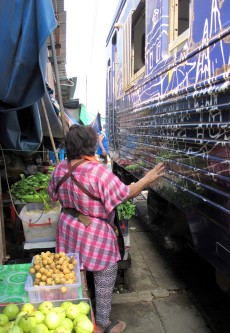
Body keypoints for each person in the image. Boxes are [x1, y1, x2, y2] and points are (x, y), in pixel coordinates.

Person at [48, 124, 165, 333]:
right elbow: (124, 193)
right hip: (94, 232)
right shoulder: (97, 172)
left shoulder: (59, 169)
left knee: (72, 274)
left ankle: (73, 318)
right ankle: (101, 324)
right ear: (89, 145)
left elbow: (52, 196)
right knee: (104, 275)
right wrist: (146, 179)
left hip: (67, 228)